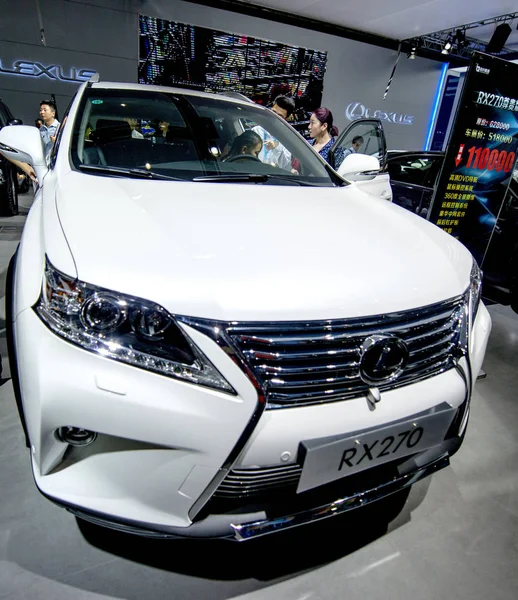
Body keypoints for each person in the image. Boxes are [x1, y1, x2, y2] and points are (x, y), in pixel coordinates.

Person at [252, 95, 295, 170]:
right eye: (273, 112)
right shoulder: (256, 131)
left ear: (286, 119)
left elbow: (285, 166)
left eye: (279, 116)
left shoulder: (287, 139)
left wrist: (276, 148)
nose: (273, 116)